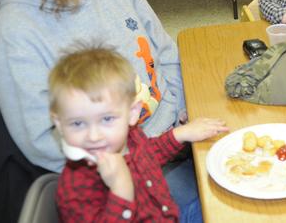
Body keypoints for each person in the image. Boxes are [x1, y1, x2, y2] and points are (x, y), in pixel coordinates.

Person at [0, 0, 194, 212]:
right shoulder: (17, 30)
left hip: (171, 137)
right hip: (119, 175)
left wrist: (178, 114)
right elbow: (44, 142)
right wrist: (141, 157)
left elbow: (166, 54)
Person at [49, 46, 228, 222]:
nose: (94, 136)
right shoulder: (74, 189)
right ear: (59, 123)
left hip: (166, 216)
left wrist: (180, 134)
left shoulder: (131, 137)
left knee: (226, 204)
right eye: (78, 123)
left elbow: (149, 153)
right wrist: (121, 192)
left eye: (107, 119)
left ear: (133, 113)